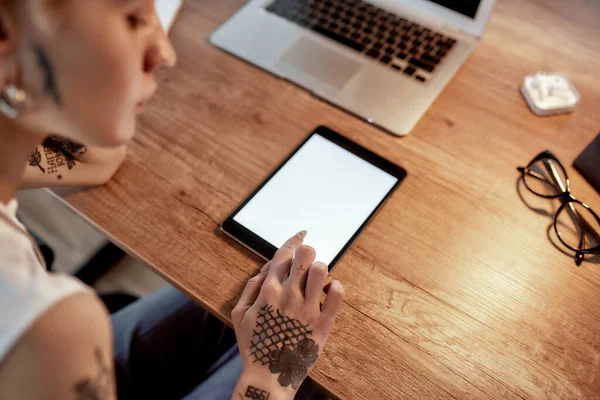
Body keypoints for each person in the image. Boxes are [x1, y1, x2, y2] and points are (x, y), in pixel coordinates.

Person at [0, 1, 345, 399]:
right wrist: (272, 378)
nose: (164, 53)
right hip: (51, 362)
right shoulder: (51, 324)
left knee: (240, 301)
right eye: (133, 18)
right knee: (319, 373)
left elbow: (100, 161)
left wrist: (30, 94)